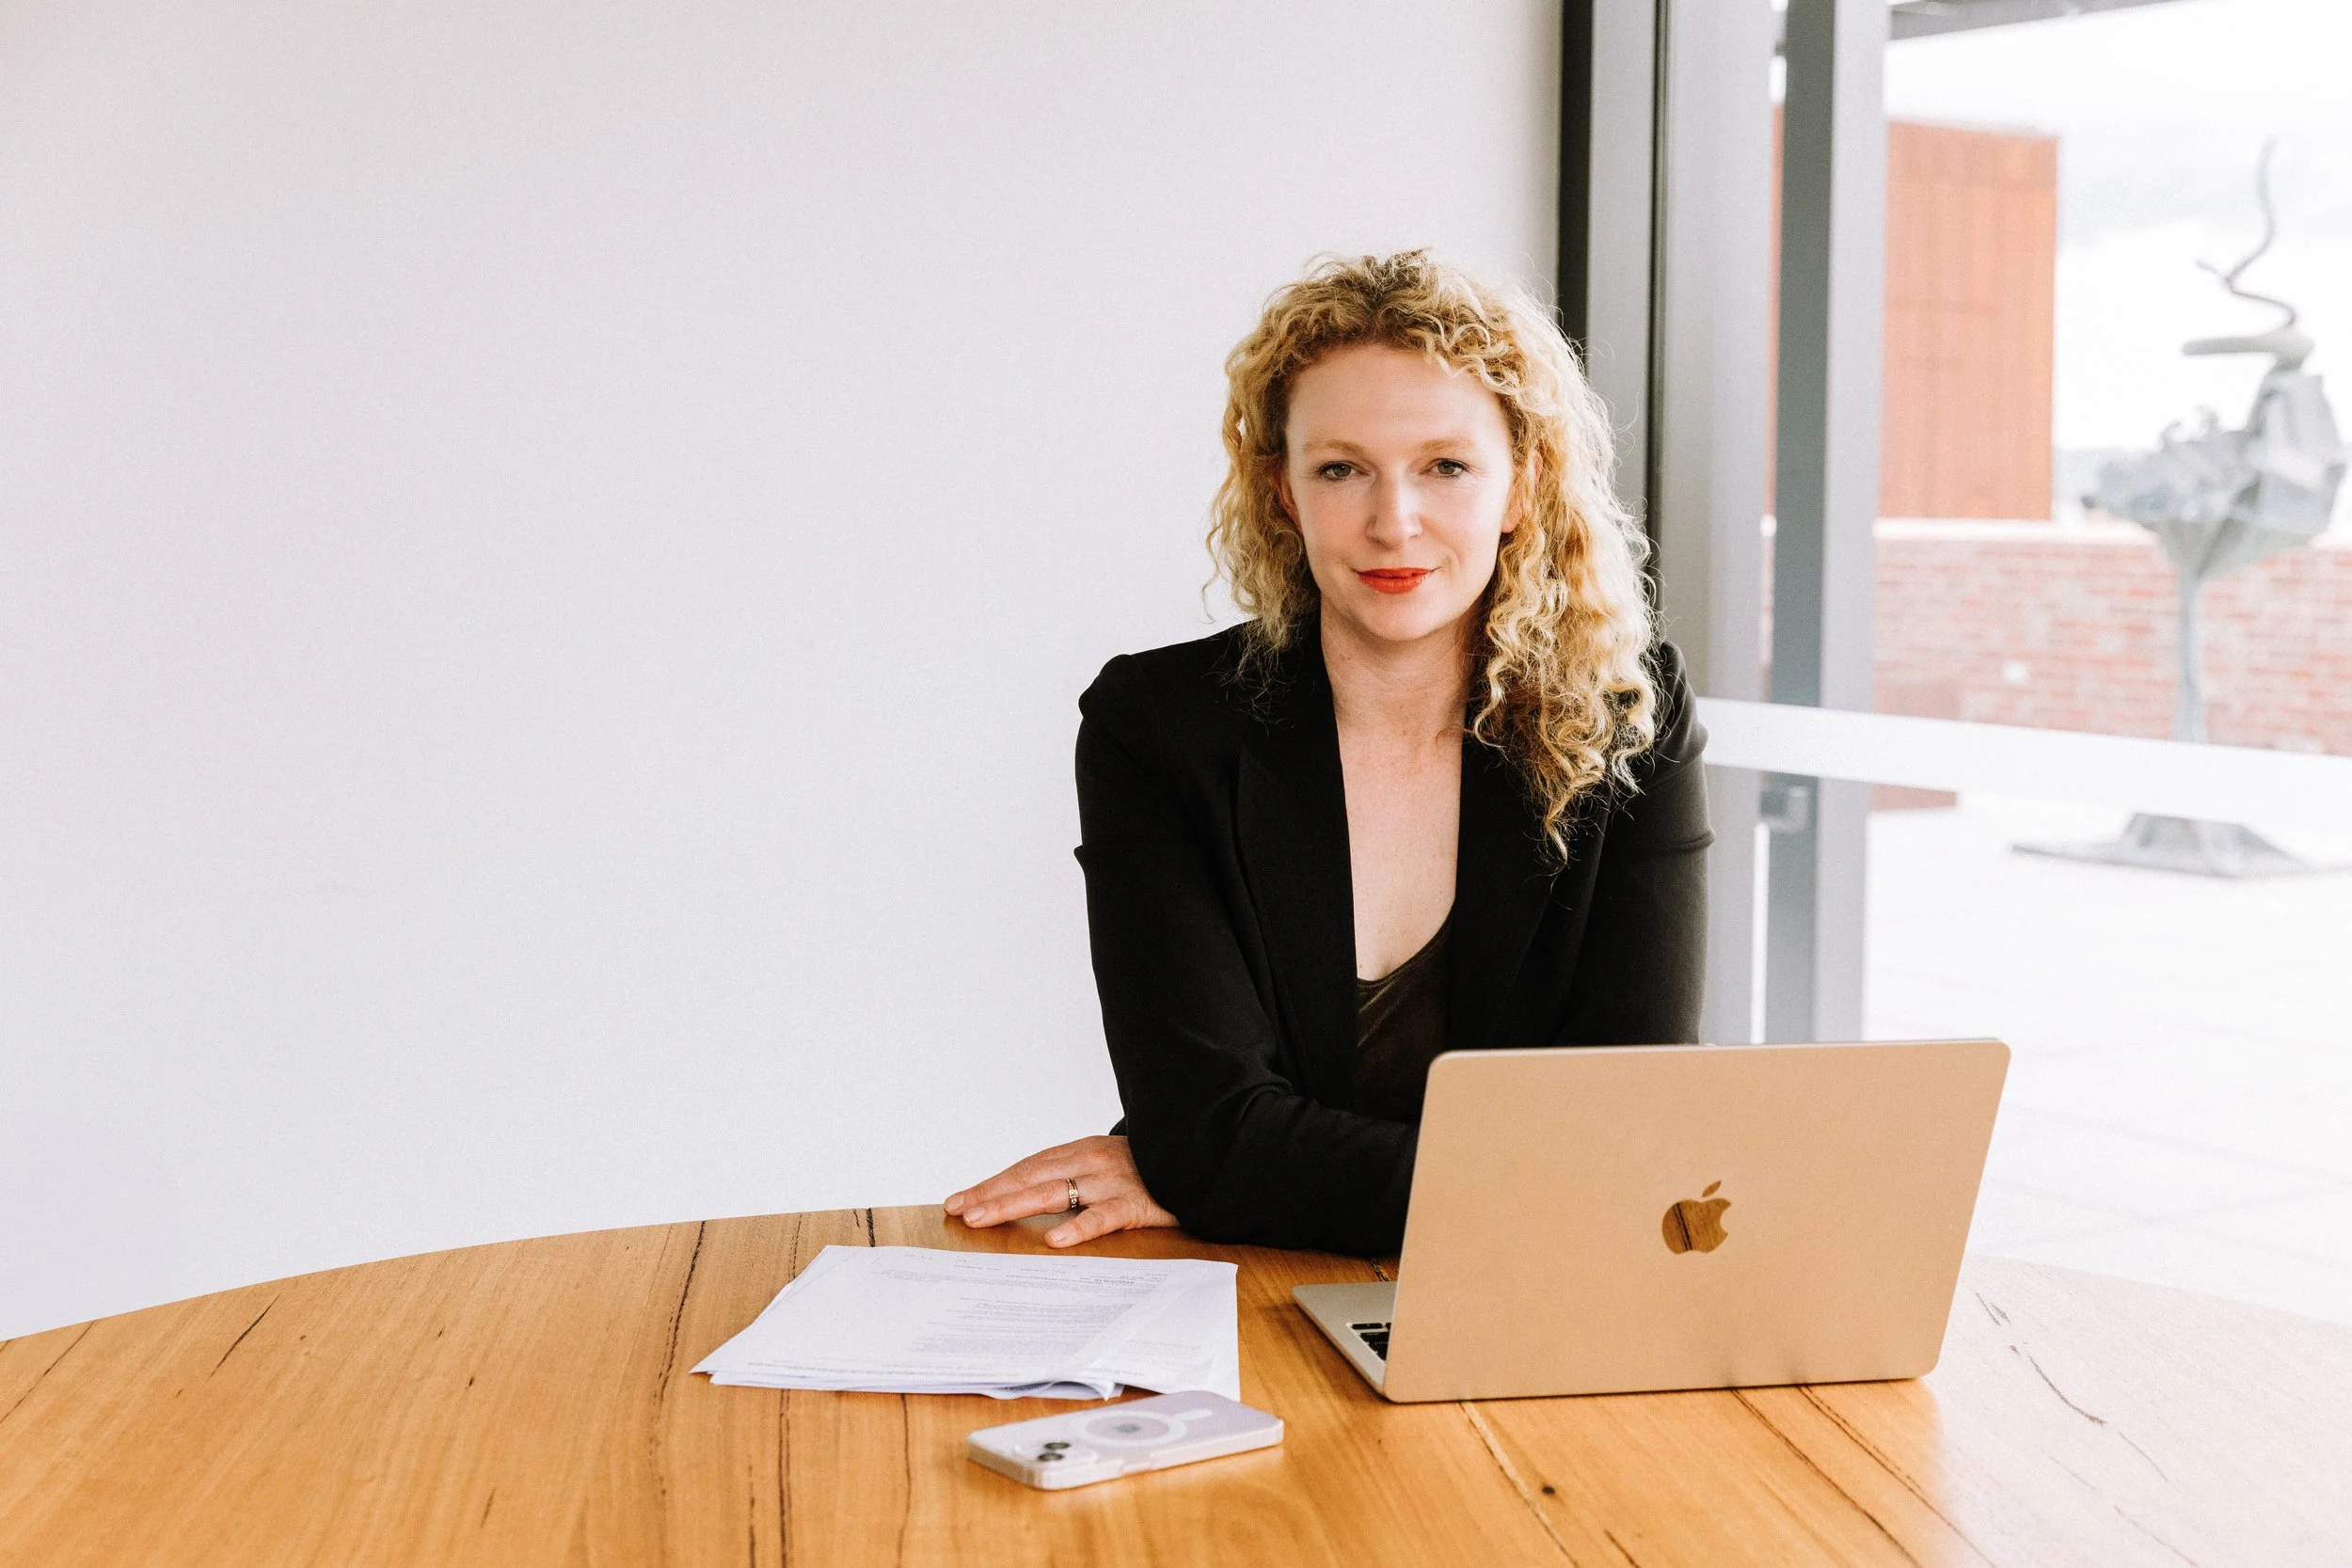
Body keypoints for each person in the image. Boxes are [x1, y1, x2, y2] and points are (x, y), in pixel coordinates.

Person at [946, 250, 1709, 1257]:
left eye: (1445, 465)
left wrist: (1224, 1167)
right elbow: (1209, 1129)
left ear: (1521, 487)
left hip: (1529, 1291)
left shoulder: (1626, 714)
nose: (1393, 520)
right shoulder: (1157, 726)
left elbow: (1629, 1125)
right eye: (1341, 468)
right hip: (1237, 1272)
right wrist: (1210, 1158)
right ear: (1282, 493)